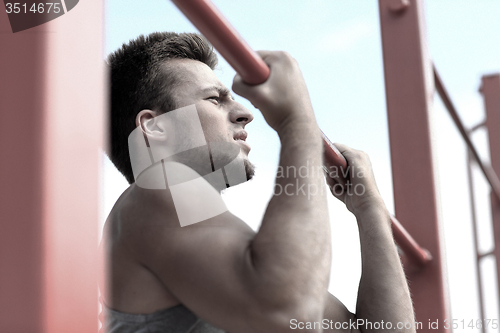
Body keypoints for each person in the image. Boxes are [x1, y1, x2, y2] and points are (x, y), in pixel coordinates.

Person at [99, 32, 415, 333]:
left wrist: (368, 206)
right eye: (215, 99)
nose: (244, 113)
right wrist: (298, 118)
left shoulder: (213, 239)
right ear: (154, 127)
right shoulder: (154, 189)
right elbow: (290, 311)